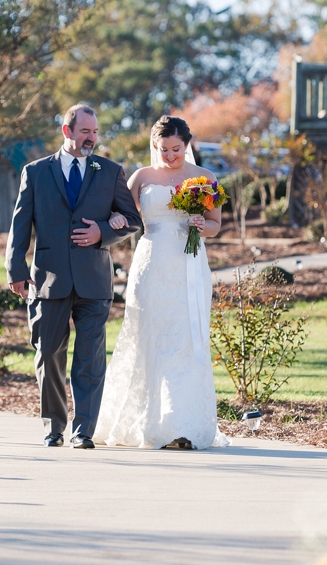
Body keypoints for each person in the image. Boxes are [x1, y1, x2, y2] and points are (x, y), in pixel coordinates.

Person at [5, 104, 142, 449]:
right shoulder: (35, 172)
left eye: (95, 132)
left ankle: (84, 431)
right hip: (47, 280)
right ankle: (54, 427)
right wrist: (16, 269)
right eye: (85, 132)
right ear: (67, 132)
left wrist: (103, 233)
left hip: (94, 280)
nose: (92, 138)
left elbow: (132, 219)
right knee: (48, 352)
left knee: (90, 358)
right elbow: (20, 224)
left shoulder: (110, 171)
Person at [94, 116, 229, 450]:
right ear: (155, 146)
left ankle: (181, 425)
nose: (170, 155)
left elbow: (215, 225)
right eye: (164, 149)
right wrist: (114, 217)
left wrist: (201, 224)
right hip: (151, 263)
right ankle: (148, 422)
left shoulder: (205, 179)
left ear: (187, 144)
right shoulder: (141, 177)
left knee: (185, 339)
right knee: (150, 337)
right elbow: (120, 215)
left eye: (176, 149)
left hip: (189, 266)